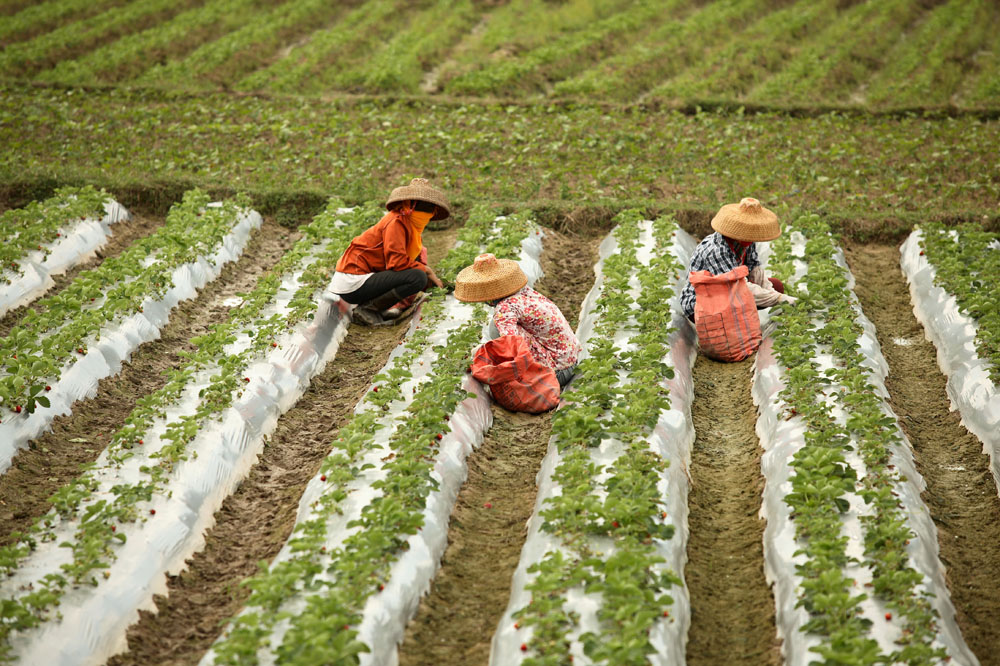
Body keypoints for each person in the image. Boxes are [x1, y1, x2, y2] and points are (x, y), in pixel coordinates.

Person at [329, 178, 447, 326]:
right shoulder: (396, 223)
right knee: (418, 277)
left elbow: (410, 260)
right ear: (410, 205)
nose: (427, 214)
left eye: (430, 209)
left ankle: (379, 307)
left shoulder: (410, 226)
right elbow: (396, 262)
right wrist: (427, 271)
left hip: (367, 278)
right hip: (353, 281)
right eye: (423, 208)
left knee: (417, 269)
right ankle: (368, 309)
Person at [455, 253, 581, 388]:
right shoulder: (525, 292)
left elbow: (512, 347)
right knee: (497, 332)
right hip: (572, 362)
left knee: (496, 331)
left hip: (555, 374)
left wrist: (479, 357)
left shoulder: (505, 309)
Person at [679, 197, 797, 324]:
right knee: (753, 297)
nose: (750, 236)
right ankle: (732, 333)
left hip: (725, 292)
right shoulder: (717, 249)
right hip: (700, 304)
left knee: (776, 285)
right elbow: (737, 288)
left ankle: (743, 324)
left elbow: (754, 268)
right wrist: (778, 299)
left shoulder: (746, 239)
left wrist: (773, 293)